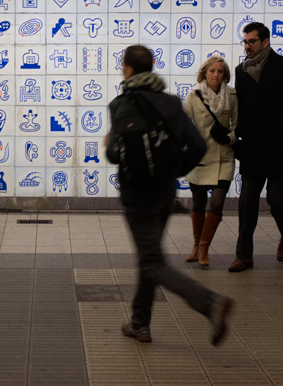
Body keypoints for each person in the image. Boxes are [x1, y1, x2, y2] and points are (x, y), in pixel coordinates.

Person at [106, 45, 234, 345]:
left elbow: (114, 155)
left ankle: (210, 303)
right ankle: (140, 323)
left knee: (151, 261)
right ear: (151, 67)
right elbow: (199, 147)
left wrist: (110, 143)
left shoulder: (121, 105)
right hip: (164, 194)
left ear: (127, 69)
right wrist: (172, 170)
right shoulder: (171, 103)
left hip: (137, 196)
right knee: (149, 256)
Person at [229, 22, 283, 272]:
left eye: (252, 41)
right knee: (247, 202)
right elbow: (241, 107)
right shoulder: (241, 72)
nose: (247, 46)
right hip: (253, 146)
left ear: (265, 42)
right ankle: (244, 255)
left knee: (276, 198)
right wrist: (241, 134)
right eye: (244, 41)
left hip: (280, 145)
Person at [183, 56, 238, 267]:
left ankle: (205, 246)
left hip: (223, 156)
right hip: (200, 156)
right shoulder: (194, 95)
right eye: (212, 71)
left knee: (216, 202)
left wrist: (230, 138)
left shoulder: (232, 95)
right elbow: (184, 122)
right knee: (197, 202)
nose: (216, 75)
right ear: (205, 73)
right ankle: (196, 244)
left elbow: (237, 125)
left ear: (225, 75)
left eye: (220, 71)